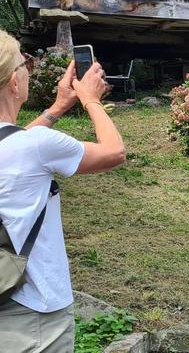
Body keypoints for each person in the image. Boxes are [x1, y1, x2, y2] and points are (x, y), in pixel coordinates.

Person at [0, 30, 126, 353]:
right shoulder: (38, 147)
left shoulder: (21, 146)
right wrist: (91, 100)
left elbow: (14, 144)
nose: (28, 68)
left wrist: (58, 107)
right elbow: (114, 152)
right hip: (37, 315)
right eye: (24, 64)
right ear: (14, 83)